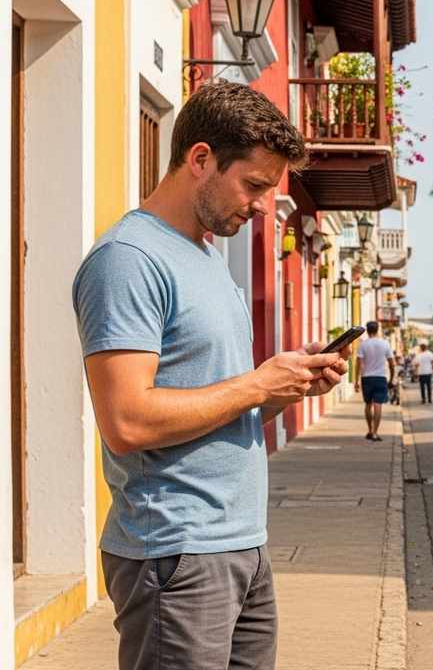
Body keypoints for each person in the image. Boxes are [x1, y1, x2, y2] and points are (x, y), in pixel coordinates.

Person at [73, 81, 341, 670]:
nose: (262, 205)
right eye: (253, 185)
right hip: (175, 553)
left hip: (240, 543)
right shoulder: (129, 260)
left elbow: (219, 404)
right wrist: (258, 385)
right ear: (200, 160)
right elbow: (127, 421)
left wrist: (286, 385)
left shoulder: (207, 259)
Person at [354, 321, 395, 441]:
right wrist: (392, 378)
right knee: (378, 404)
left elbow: (358, 364)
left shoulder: (363, 345)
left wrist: (356, 381)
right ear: (378, 330)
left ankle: (370, 430)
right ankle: (375, 432)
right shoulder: (385, 344)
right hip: (381, 377)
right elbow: (391, 363)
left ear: (367, 330)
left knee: (368, 404)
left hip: (366, 377)